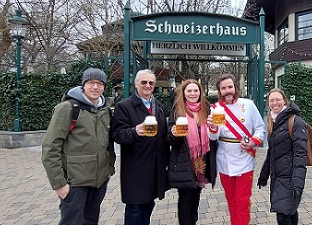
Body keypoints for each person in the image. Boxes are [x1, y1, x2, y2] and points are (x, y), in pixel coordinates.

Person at [42, 67, 116, 225]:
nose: (95, 87)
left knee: (90, 220)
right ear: (83, 85)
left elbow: (108, 143)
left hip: (98, 181)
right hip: (74, 182)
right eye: (91, 83)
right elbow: (51, 147)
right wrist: (59, 184)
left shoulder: (106, 110)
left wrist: (109, 168)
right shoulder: (68, 108)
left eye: (100, 83)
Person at [110, 69, 170, 225]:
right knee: (134, 210)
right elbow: (117, 134)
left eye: (151, 83)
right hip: (135, 168)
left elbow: (163, 135)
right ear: (136, 84)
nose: (148, 85)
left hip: (155, 166)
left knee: (149, 205)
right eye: (144, 82)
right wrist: (134, 131)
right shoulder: (125, 106)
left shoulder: (158, 105)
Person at [206, 74, 266, 225]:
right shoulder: (215, 109)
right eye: (223, 88)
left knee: (242, 200)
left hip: (244, 158)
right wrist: (212, 128)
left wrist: (253, 141)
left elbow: (260, 128)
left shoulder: (249, 105)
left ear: (235, 88)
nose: (228, 91)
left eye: (230, 87)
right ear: (219, 91)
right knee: (231, 200)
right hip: (224, 160)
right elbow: (213, 138)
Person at [167, 79, 217, 225]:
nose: (193, 93)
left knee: (196, 195)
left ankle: (193, 221)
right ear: (183, 93)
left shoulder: (206, 108)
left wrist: (214, 128)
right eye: (189, 91)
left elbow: (214, 135)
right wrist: (174, 134)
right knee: (185, 197)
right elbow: (169, 138)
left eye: (196, 90)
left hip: (202, 161)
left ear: (200, 92)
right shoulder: (177, 110)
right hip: (184, 160)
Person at [257, 88, 308, 225]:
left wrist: (298, 183)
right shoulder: (273, 121)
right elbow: (271, 152)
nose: (274, 103)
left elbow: (300, 155)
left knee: (283, 216)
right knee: (289, 211)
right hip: (278, 177)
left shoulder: (295, 122)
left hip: (290, 178)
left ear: (284, 101)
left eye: (277, 99)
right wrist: (264, 175)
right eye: (271, 100)